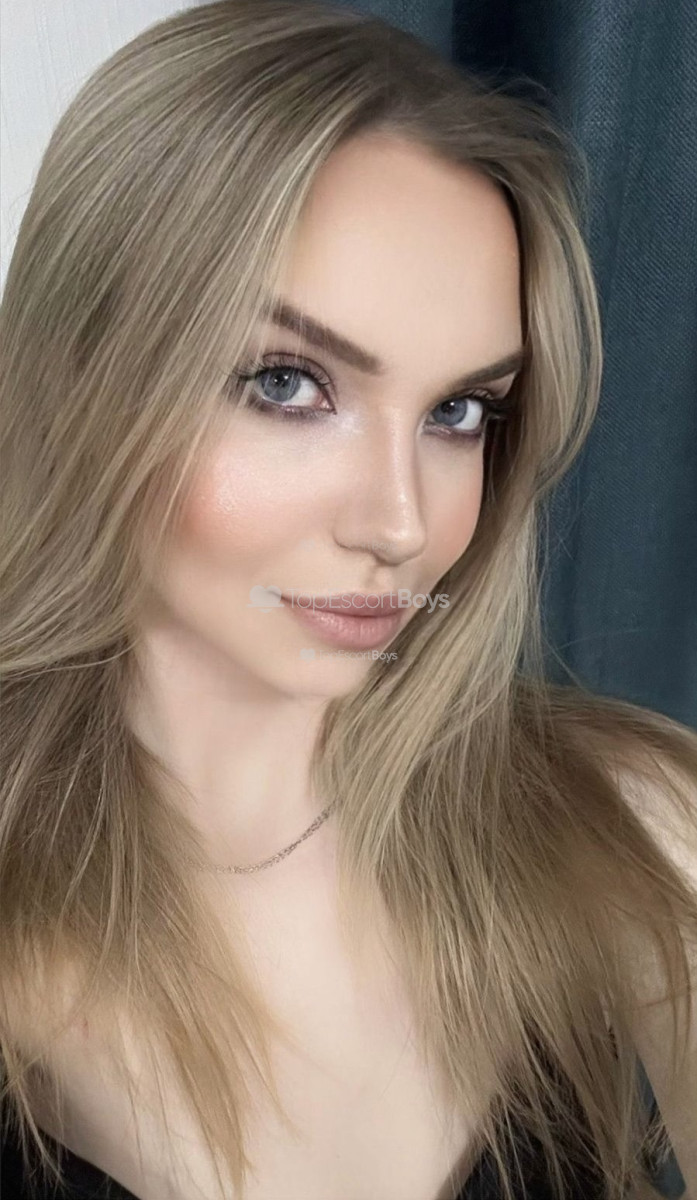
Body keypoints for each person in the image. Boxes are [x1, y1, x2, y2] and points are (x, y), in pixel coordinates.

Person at [1, 2, 696, 1198]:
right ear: (83, 380)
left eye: (459, 412)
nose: (400, 523)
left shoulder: (640, 823)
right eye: (287, 383)